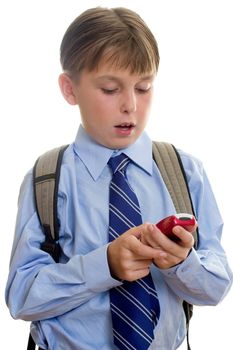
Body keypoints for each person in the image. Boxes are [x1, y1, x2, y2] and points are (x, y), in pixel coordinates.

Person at [5, 6, 232, 350]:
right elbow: (21, 297)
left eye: (143, 88)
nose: (130, 106)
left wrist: (182, 264)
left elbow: (216, 288)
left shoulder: (184, 172)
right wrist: (105, 264)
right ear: (70, 89)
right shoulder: (46, 178)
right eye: (110, 89)